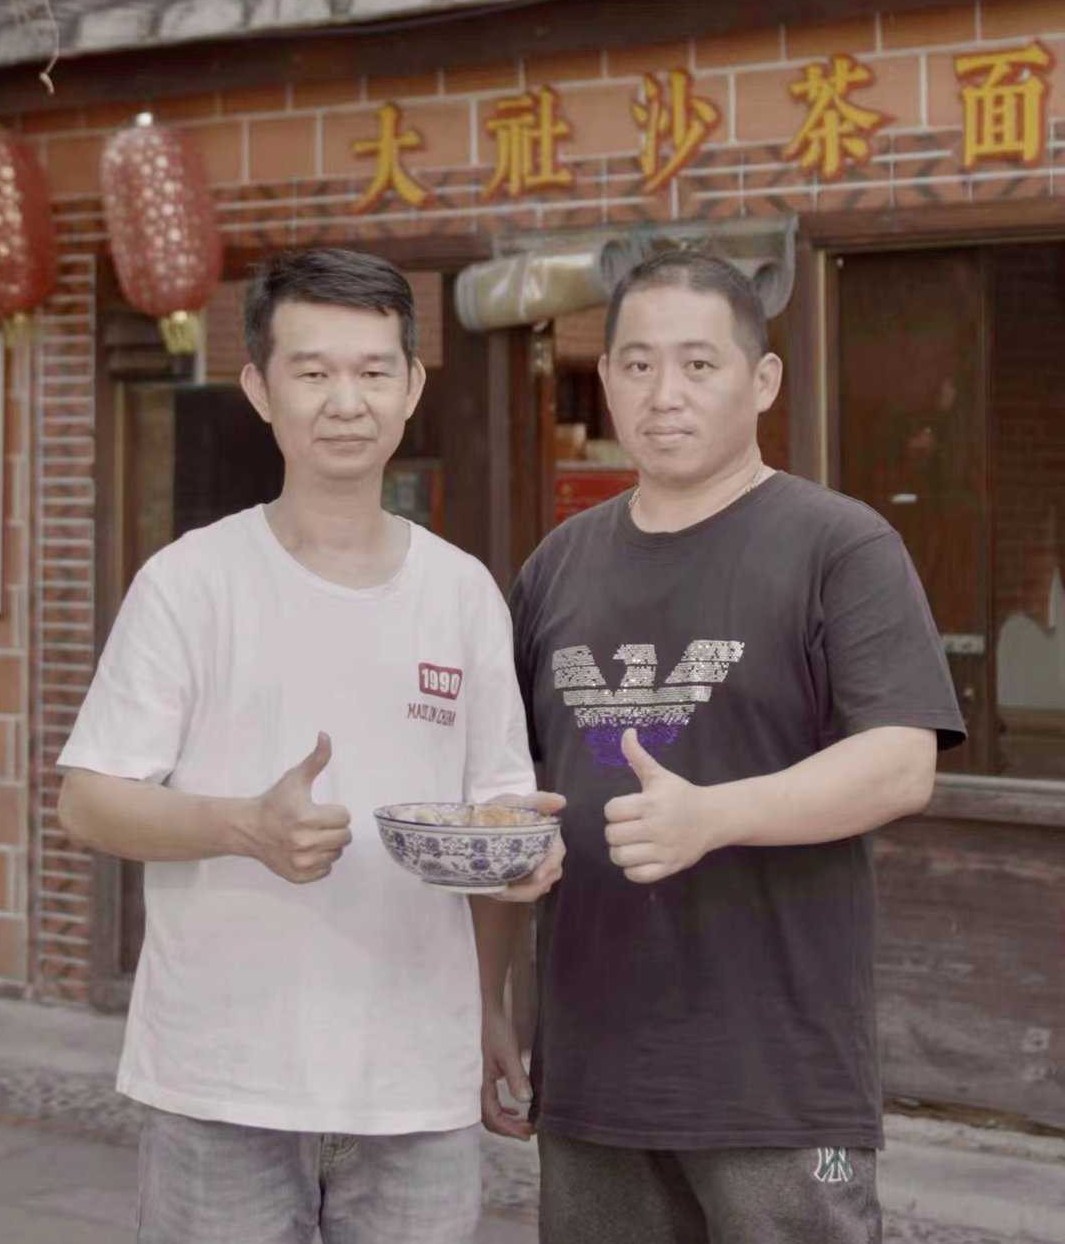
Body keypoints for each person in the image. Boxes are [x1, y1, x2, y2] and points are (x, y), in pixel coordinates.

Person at [57, 247, 563, 1244]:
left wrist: (491, 999)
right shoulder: (189, 581)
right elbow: (88, 798)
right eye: (313, 369)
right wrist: (241, 824)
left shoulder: (460, 592)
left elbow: (498, 814)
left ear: (413, 387)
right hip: (221, 1078)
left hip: (415, 1081)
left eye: (375, 370)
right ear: (258, 386)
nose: (348, 400)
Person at [507, 249, 965, 1243]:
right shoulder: (555, 569)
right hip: (591, 1076)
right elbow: (516, 798)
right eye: (635, 364)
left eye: (699, 364)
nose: (663, 393)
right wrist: (491, 1001)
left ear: (762, 381)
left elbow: (901, 760)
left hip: (783, 1087)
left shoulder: (838, 545)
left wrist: (714, 816)